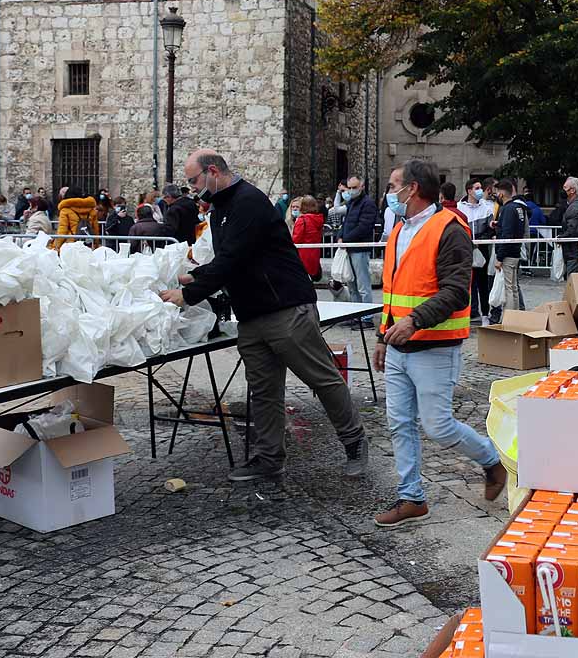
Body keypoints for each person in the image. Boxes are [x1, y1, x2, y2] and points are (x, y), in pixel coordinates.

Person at [160, 149, 369, 482]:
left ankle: (355, 441)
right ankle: (269, 458)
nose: (192, 188)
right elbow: (226, 259)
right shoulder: (219, 210)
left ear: (213, 171)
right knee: (264, 390)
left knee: (321, 378)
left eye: (194, 180)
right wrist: (194, 276)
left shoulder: (249, 201)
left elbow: (234, 259)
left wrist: (187, 294)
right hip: (252, 314)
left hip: (285, 308)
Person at [373, 159, 506, 527]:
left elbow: (456, 292)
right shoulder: (400, 230)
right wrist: (383, 336)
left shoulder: (450, 228)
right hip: (400, 345)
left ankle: (492, 461)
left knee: (438, 426)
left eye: (393, 184)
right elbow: (393, 291)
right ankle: (412, 497)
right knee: (399, 423)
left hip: (434, 345)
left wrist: (415, 321)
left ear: (412, 188)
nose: (390, 191)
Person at [341, 176, 378, 328]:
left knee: (363, 285)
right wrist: (340, 237)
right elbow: (346, 223)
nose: (351, 190)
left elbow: (364, 226)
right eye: (349, 187)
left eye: (354, 187)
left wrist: (345, 239)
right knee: (352, 284)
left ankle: (367, 317)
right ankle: (356, 314)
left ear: (362, 186)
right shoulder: (352, 203)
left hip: (360, 248)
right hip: (350, 247)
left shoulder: (367, 203)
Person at [458, 179, 495, 325]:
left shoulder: (486, 208)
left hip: (482, 249)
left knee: (482, 283)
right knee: (467, 282)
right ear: (469, 191)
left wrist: (480, 240)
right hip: (465, 249)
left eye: (481, 188)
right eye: (477, 188)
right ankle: (469, 312)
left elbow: (490, 228)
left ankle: (485, 313)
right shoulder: (459, 207)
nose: (480, 190)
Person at [493, 179, 528, 316]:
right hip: (515, 251)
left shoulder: (507, 209)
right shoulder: (518, 208)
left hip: (507, 254)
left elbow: (507, 234)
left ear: (501, 193)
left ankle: (509, 318)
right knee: (513, 287)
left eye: (497, 193)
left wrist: (500, 257)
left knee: (508, 288)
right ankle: (516, 315)